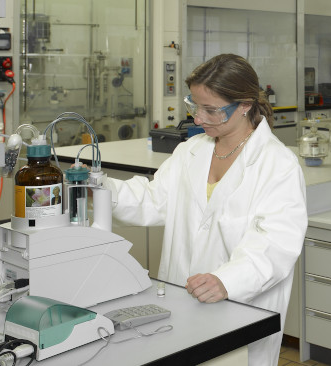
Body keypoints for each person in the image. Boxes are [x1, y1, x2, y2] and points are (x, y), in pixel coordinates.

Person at [109, 54, 307, 366]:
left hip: (238, 307)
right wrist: (101, 190)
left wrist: (227, 280)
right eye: (194, 106)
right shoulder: (192, 150)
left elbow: (275, 245)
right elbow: (154, 200)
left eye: (211, 110)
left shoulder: (277, 164)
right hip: (179, 302)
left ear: (244, 105)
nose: (198, 119)